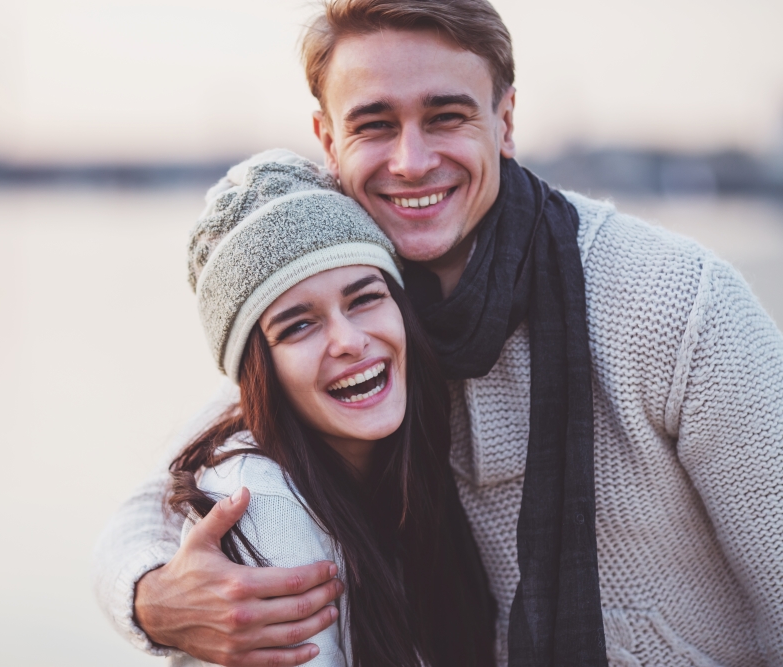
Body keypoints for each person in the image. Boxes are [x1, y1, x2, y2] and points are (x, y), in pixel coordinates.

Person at [94, 1, 783, 665]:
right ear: (329, 142)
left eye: (445, 116)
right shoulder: (352, 296)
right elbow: (167, 490)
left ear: (505, 120)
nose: (412, 161)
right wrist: (150, 598)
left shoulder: (675, 300)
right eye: (374, 125)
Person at [165, 148, 495, 666]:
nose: (349, 341)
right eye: (299, 325)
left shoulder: (394, 470)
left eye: (364, 298)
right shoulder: (260, 506)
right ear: (259, 372)